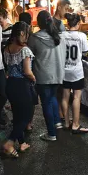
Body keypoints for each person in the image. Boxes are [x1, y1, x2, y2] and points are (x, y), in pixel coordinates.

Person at [29, 11, 65, 142]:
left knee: (46, 103)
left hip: (43, 75)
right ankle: (57, 122)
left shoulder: (34, 38)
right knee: (52, 98)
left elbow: (29, 54)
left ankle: (51, 133)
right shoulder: (59, 36)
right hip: (58, 74)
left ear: (38, 23)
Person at [3, 22, 36, 157]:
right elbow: (27, 71)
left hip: (10, 84)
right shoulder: (25, 50)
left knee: (17, 115)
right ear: (22, 33)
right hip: (22, 85)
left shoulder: (7, 49)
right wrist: (34, 78)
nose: (28, 37)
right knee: (27, 115)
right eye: (27, 33)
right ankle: (9, 143)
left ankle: (22, 142)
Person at [60, 13, 88, 134]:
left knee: (65, 96)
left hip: (64, 70)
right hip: (77, 71)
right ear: (78, 24)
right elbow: (85, 52)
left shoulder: (61, 35)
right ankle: (75, 125)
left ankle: (67, 123)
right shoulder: (81, 36)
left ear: (67, 23)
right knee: (77, 97)